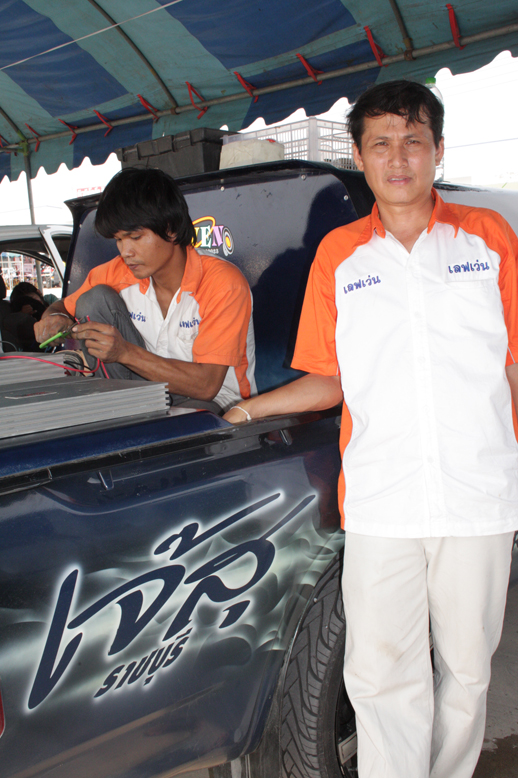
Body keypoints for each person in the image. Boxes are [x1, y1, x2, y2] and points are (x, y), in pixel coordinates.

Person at [224, 80, 518, 778]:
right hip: (382, 498)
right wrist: (247, 409)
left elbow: (513, 365)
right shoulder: (340, 254)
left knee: (468, 669)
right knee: (382, 673)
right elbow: (329, 378)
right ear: (358, 156)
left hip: (477, 494)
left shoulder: (490, 237)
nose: (398, 157)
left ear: (437, 150)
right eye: (381, 143)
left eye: (413, 140)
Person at [35, 167, 256, 411]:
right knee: (94, 299)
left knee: (186, 423)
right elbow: (62, 308)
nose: (125, 252)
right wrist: (54, 318)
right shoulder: (118, 272)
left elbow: (206, 386)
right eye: (119, 240)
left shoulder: (222, 283)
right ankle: (118, 412)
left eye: (135, 237)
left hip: (215, 402)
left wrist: (124, 353)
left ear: (170, 229)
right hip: (148, 391)